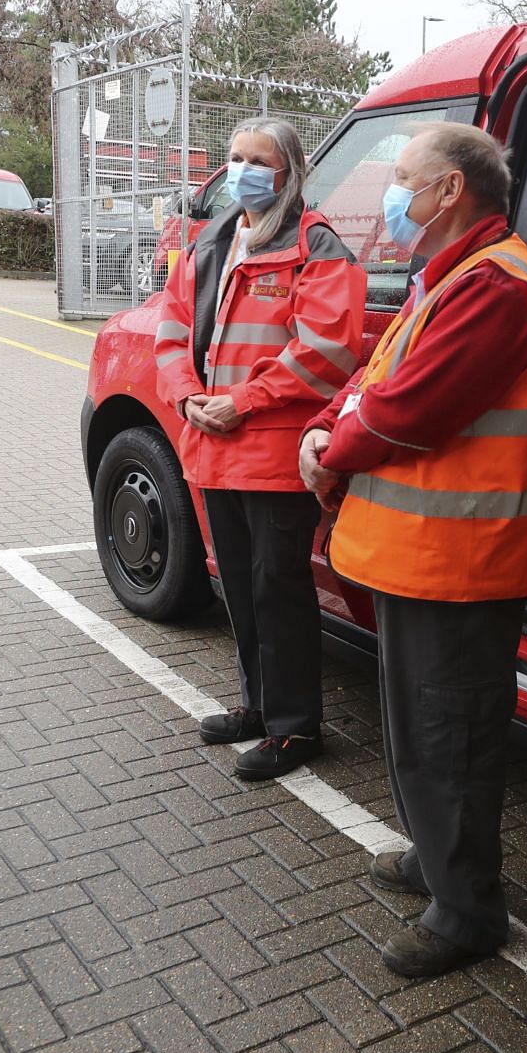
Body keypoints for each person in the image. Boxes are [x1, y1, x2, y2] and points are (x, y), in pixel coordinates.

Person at [300, 122, 527, 978]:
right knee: (417, 727)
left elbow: (408, 409)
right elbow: (375, 376)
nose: (390, 194)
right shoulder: (446, 274)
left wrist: (328, 453)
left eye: (403, 178)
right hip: (419, 557)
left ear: (450, 192)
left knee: (451, 735)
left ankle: (467, 912)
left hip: (464, 565)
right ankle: (434, 859)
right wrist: (320, 427)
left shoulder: (496, 286)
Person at [154, 119, 365, 780]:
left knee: (278, 591)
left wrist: (241, 402)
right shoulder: (213, 240)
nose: (243, 169)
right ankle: (258, 706)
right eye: (235, 157)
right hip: (213, 445)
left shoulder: (318, 246)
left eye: (259, 161)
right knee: (240, 589)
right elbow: (171, 330)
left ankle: (295, 727)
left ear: (290, 173)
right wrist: (188, 396)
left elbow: (327, 352)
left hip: (272, 453)